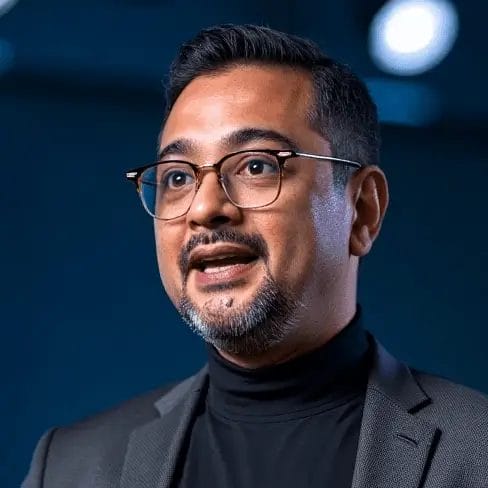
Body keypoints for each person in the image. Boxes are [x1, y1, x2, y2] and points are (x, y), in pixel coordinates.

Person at [23, 24, 488, 488]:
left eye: (257, 165)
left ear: (362, 210)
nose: (205, 208)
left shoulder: (477, 451)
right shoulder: (70, 467)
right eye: (178, 178)